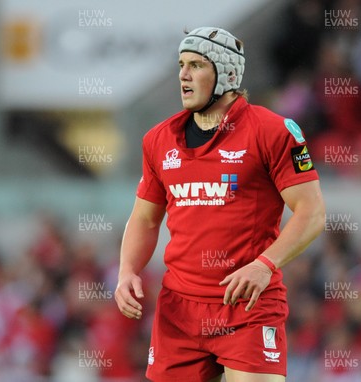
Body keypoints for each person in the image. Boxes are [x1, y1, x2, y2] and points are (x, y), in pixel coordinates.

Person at [114, 27, 325, 382]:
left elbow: (312, 213)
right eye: (181, 65)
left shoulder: (272, 131)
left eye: (196, 65)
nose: (183, 74)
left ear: (226, 74)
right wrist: (126, 271)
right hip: (178, 310)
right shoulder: (157, 140)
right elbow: (146, 219)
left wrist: (264, 265)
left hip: (247, 307)